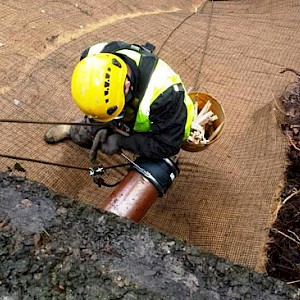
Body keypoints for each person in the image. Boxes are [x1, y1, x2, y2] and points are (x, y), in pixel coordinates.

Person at [44, 41, 194, 164]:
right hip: (122, 112)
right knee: (89, 129)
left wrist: (123, 141)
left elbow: (167, 145)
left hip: (159, 129)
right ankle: (74, 130)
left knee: (153, 165)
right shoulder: (94, 56)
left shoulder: (165, 95)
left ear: (126, 85)